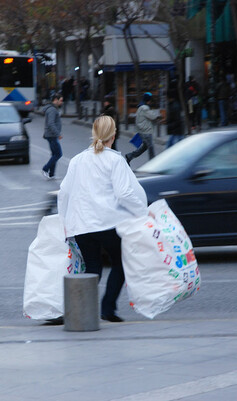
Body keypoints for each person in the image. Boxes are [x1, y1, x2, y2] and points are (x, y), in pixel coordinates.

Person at [58, 115, 148, 322]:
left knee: (92, 267)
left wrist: (65, 222)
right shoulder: (115, 160)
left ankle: (80, 309)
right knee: (120, 263)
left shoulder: (77, 160)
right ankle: (107, 309)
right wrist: (144, 213)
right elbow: (124, 193)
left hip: (81, 226)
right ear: (114, 134)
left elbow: (64, 193)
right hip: (107, 224)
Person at [125, 92, 161, 165]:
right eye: (150, 100)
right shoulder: (145, 108)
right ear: (148, 100)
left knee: (144, 147)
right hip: (146, 131)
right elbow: (152, 116)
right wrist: (158, 115)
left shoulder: (141, 107)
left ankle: (130, 156)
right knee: (150, 146)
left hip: (142, 130)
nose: (151, 102)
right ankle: (153, 163)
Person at [41, 93, 63, 179]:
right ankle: (45, 169)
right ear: (55, 100)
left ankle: (52, 174)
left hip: (51, 135)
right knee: (58, 154)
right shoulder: (52, 110)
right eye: (60, 100)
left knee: (54, 154)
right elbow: (50, 123)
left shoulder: (52, 109)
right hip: (52, 135)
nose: (62, 102)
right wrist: (58, 134)